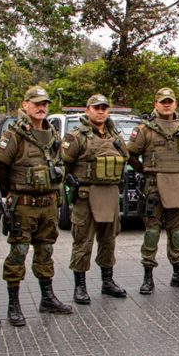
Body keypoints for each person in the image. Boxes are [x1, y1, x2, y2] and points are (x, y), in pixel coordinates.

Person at [0, 86, 72, 325]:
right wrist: (13, 192)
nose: (41, 107)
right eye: (36, 103)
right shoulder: (14, 134)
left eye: (44, 104)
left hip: (48, 204)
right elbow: (0, 168)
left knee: (45, 251)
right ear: (25, 105)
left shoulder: (52, 134)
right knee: (18, 253)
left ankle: (47, 298)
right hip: (24, 205)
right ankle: (13, 304)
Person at [126, 88, 179, 294]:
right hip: (153, 186)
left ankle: (178, 274)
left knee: (177, 231)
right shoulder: (145, 129)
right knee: (152, 231)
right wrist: (145, 171)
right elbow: (131, 154)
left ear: (175, 104)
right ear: (156, 104)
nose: (166, 104)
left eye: (170, 101)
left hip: (176, 184)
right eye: (162, 101)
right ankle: (148, 277)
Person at [61, 94, 129, 304]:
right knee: (83, 241)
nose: (100, 112)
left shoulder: (115, 136)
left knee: (108, 241)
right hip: (85, 196)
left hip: (109, 195)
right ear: (87, 110)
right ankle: (80, 286)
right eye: (96, 108)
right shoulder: (76, 136)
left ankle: (107, 282)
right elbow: (62, 165)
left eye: (104, 108)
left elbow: (125, 157)